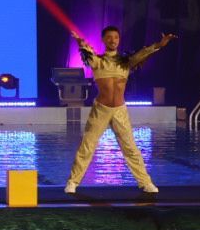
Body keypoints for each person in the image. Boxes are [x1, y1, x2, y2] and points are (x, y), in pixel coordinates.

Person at [64, 26, 176, 195]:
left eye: (116, 37)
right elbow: (87, 53)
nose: (113, 40)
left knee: (130, 148)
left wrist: (160, 44)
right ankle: (73, 182)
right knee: (87, 146)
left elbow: (144, 53)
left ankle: (145, 182)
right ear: (103, 40)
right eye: (109, 37)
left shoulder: (126, 62)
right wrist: (79, 41)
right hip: (101, 109)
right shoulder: (98, 61)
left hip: (120, 110)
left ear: (119, 40)